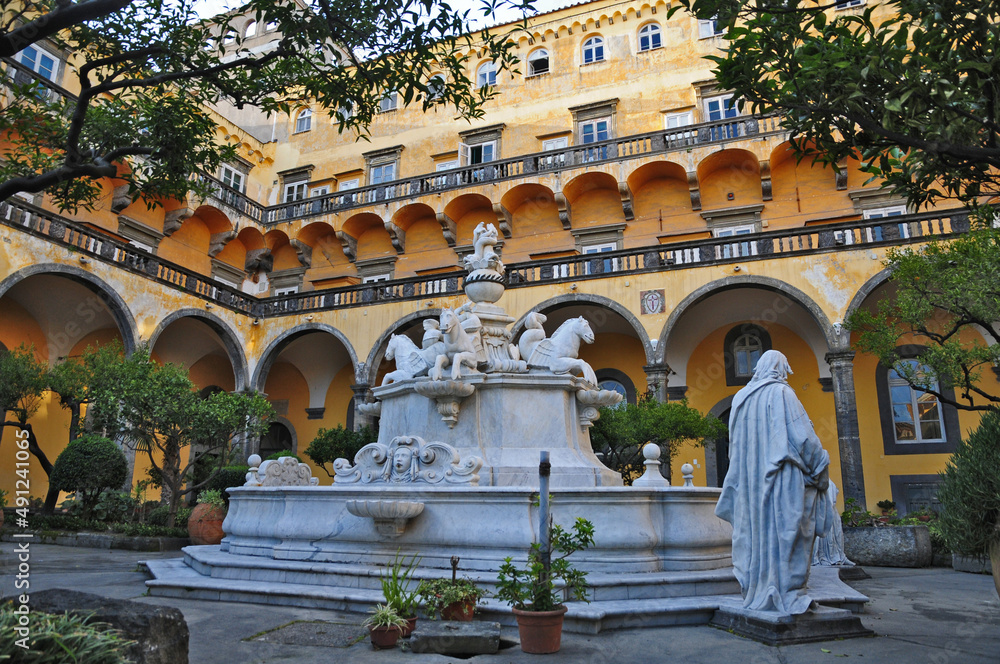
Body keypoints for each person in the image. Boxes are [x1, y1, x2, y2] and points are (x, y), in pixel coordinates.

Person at [715, 349, 832, 614]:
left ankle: (757, 589)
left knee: (756, 533)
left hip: (751, 482)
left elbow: (734, 446)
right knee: (785, 533)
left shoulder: (740, 399)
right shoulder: (782, 393)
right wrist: (821, 468)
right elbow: (804, 439)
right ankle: (785, 591)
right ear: (780, 369)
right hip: (782, 477)